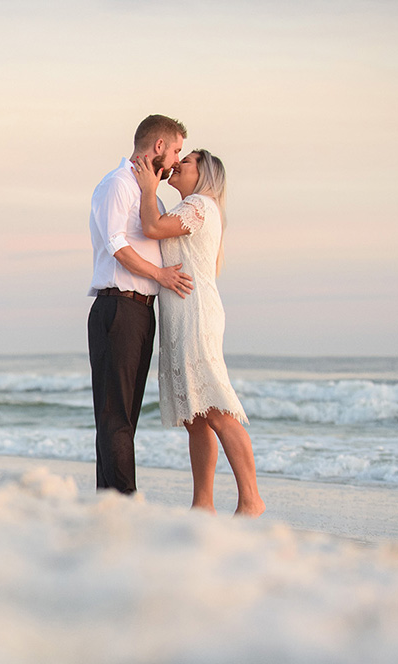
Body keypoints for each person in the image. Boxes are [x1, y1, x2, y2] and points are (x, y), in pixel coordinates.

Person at [131, 149, 265, 516]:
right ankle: (202, 504)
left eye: (185, 162)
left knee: (217, 406)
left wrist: (146, 188)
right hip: (180, 313)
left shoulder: (200, 204)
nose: (177, 165)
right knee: (196, 415)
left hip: (196, 313)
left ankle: (251, 500)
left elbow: (152, 228)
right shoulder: (194, 205)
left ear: (203, 174)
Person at [87, 115, 194, 495]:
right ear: (159, 147)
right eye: (177, 150)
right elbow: (117, 245)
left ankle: (111, 503)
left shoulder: (149, 192)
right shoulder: (117, 184)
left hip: (139, 311)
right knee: (115, 416)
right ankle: (122, 504)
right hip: (118, 307)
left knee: (124, 417)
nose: (177, 160)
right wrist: (161, 275)